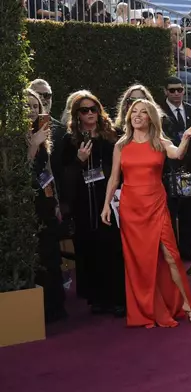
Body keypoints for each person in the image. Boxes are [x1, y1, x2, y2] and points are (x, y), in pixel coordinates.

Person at [100, 99, 191, 327]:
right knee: (139, 261)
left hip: (156, 204)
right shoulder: (121, 145)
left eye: (143, 112)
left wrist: (185, 138)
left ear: (150, 118)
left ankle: (186, 305)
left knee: (171, 256)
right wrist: (107, 205)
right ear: (128, 117)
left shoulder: (160, 142)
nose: (137, 116)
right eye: (133, 112)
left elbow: (177, 155)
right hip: (131, 208)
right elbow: (114, 179)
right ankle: (146, 309)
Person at [60, 92, 126, 317]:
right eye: (84, 110)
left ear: (99, 111)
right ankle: (97, 298)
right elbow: (64, 176)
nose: (89, 113)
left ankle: (117, 298)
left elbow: (123, 168)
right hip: (83, 202)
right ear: (76, 114)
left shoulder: (112, 136)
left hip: (108, 199)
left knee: (112, 249)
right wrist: (79, 159)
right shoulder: (69, 140)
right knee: (89, 249)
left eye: (93, 109)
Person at [25, 88, 67, 323]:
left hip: (46, 202)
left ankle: (54, 306)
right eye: (27, 106)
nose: (31, 110)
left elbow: (47, 171)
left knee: (51, 252)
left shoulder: (43, 133)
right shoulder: (13, 135)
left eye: (35, 106)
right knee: (36, 253)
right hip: (26, 204)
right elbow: (18, 172)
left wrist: (57, 202)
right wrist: (33, 143)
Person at [160, 76, 191, 262]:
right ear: (165, 91)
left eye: (180, 89)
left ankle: (187, 249)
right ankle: (170, 251)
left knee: (188, 212)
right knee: (169, 214)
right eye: (172, 90)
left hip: (188, 172)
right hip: (167, 171)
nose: (177, 93)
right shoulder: (159, 113)